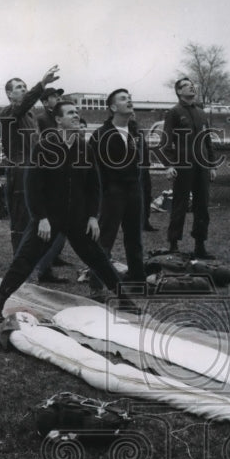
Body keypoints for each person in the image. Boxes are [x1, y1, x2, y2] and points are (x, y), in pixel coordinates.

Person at [0, 101, 139, 324]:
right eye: (70, 113)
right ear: (58, 120)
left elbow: (93, 186)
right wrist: (40, 218)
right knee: (24, 260)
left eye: (77, 112)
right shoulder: (44, 147)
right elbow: (32, 186)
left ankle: (124, 300)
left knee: (99, 259)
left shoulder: (84, 148)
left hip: (78, 219)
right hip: (49, 219)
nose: (76, 115)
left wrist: (92, 216)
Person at [0, 69, 68, 284]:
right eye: (18, 87)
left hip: (36, 171)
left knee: (44, 219)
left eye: (25, 87)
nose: (23, 90)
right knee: (22, 224)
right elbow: (23, 105)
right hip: (20, 174)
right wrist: (41, 84)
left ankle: (44, 269)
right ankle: (20, 271)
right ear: (9, 94)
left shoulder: (30, 116)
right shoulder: (9, 112)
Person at [86, 88, 148, 300]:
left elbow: (142, 162)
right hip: (112, 192)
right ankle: (96, 286)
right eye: (123, 99)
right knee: (105, 239)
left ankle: (138, 282)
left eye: (130, 98)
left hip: (134, 190)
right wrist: (102, 193)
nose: (129, 101)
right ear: (113, 107)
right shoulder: (100, 135)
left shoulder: (136, 132)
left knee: (135, 239)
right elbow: (93, 169)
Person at [159, 78, 217, 259]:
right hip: (183, 167)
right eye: (186, 85)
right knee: (180, 205)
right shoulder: (174, 112)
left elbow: (208, 141)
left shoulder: (201, 113)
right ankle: (174, 245)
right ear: (178, 91)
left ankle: (200, 245)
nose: (191, 86)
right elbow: (165, 142)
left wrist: (212, 165)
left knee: (202, 206)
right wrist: (169, 165)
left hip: (202, 166)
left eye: (192, 84)